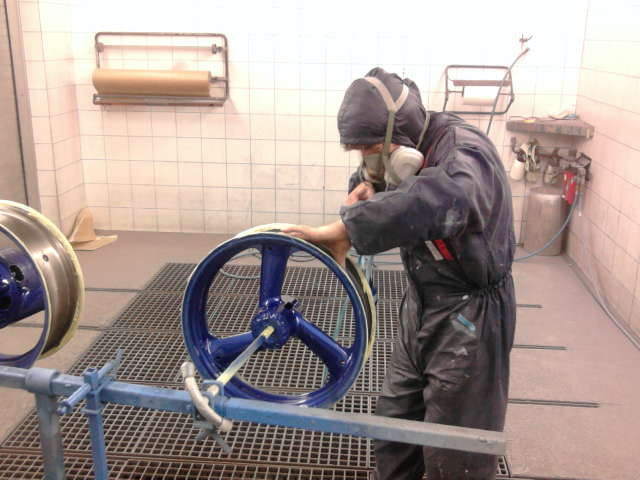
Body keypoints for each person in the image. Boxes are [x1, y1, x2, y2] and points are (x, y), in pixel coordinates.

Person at [284, 67, 516, 480]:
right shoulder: (403, 155)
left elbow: (446, 198)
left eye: (372, 151)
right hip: (421, 303)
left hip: (471, 316)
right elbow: (397, 182)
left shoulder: (465, 152)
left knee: (456, 447)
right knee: (395, 424)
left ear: (400, 134)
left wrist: (348, 229)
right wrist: (368, 184)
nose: (367, 161)